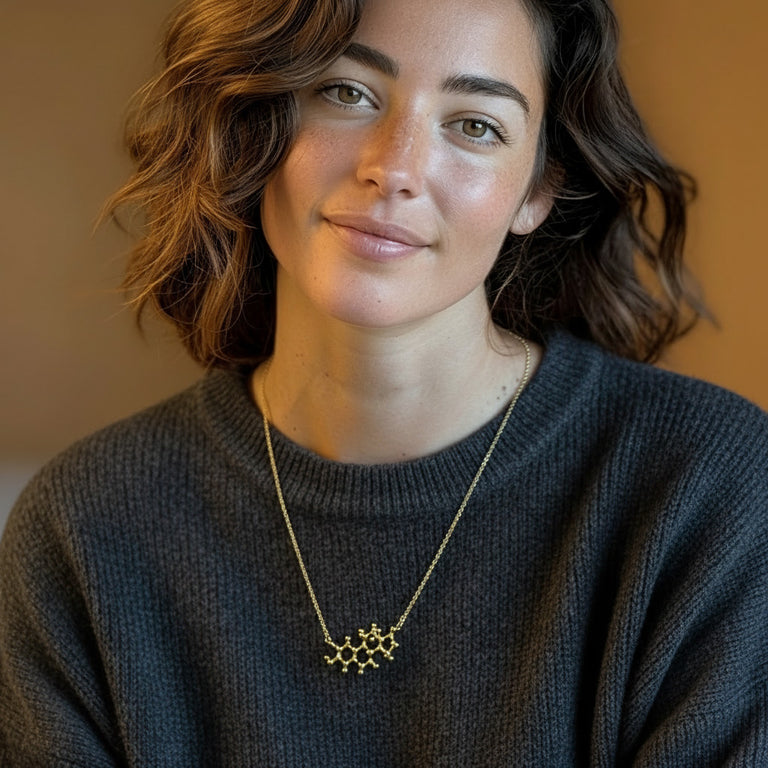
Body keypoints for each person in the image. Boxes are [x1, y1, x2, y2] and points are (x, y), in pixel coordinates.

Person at [1, 0, 766, 764]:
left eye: (474, 125)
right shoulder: (86, 527)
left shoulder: (710, 489)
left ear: (535, 190)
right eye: (347, 93)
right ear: (257, 124)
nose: (395, 169)